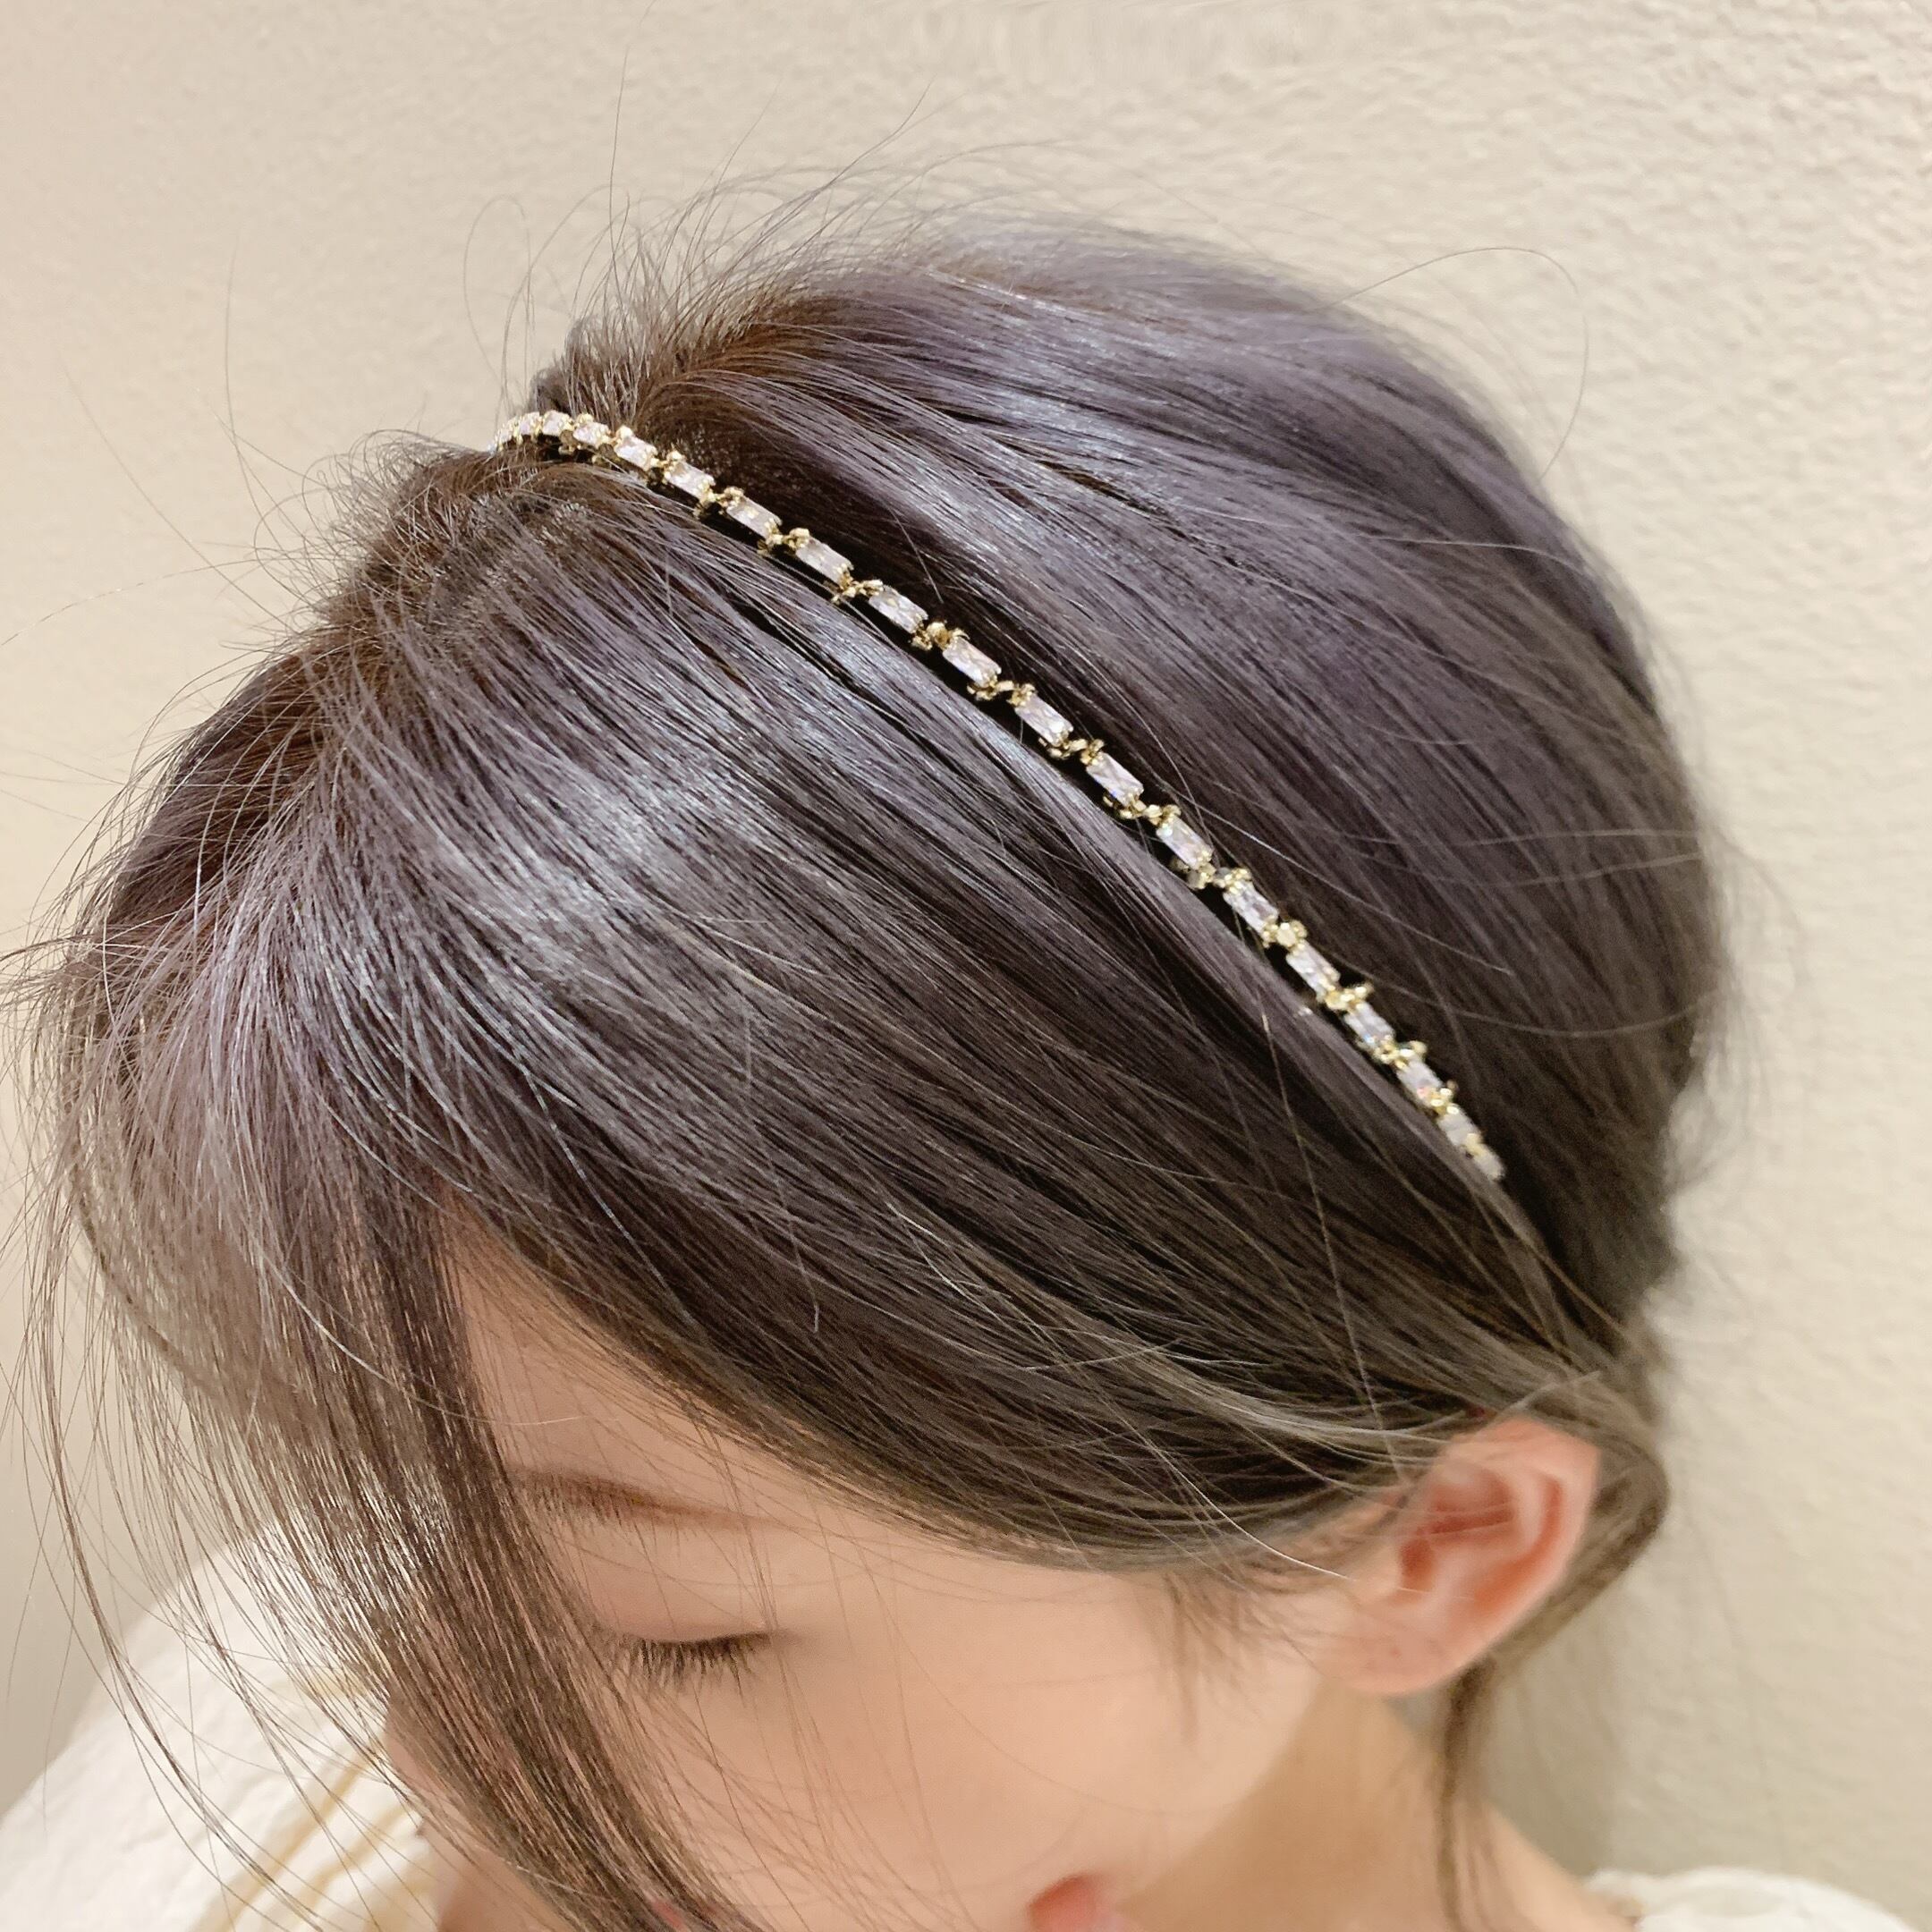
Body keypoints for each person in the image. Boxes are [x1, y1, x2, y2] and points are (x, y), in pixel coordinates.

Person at [0, 187, 1912, 1932]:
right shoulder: (247, 1748)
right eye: (405, 1490)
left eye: (666, 1628)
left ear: (1427, 1550)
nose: (422, 1736)